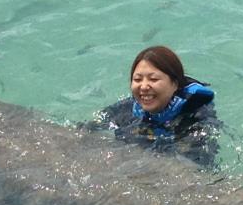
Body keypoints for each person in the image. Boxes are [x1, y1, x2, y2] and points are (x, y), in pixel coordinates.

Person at [89, 45, 220, 167]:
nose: (144, 86)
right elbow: (88, 129)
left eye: (153, 79)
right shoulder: (127, 109)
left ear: (175, 84)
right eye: (137, 79)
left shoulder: (195, 117)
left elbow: (194, 165)